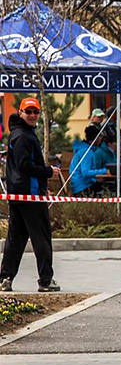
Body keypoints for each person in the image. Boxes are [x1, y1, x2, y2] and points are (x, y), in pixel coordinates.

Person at [0, 97, 62, 293]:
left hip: (20, 194)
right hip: (29, 196)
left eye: (36, 111)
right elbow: (24, 166)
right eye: (29, 112)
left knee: (16, 239)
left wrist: (43, 187)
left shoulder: (20, 133)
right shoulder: (23, 137)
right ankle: (45, 280)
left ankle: (5, 278)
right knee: (41, 237)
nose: (33, 115)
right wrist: (47, 172)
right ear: (21, 113)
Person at [69, 125, 110, 196]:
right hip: (81, 188)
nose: (101, 140)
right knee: (108, 187)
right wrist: (105, 171)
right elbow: (85, 172)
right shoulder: (87, 152)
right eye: (100, 137)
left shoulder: (84, 150)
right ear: (96, 139)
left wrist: (94, 179)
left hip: (79, 185)